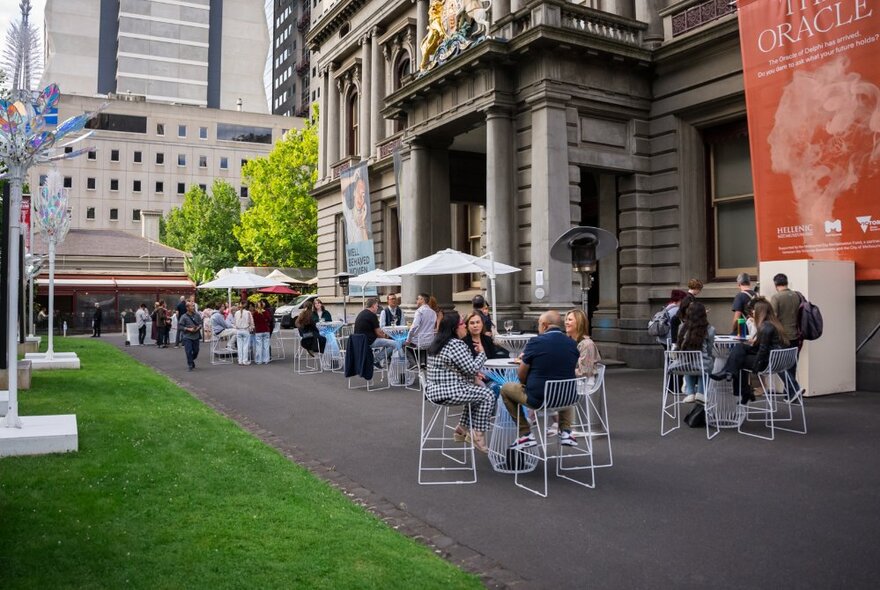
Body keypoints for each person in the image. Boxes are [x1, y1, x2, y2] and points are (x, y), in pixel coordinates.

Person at [501, 310, 580, 449]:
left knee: (506, 388)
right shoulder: (572, 344)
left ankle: (525, 433)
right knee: (563, 386)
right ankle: (566, 431)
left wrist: (526, 384)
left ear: (544, 325)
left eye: (538, 324)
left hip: (540, 399)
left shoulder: (536, 342)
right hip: (568, 399)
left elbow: (521, 375)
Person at [426, 311, 495, 453]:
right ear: (455, 328)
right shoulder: (456, 344)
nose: (465, 327)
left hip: (434, 391)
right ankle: (478, 434)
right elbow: (472, 369)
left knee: (476, 395)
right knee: (488, 395)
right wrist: (481, 353)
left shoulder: (438, 343)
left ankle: (462, 428)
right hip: (450, 392)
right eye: (463, 324)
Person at [712, 298, 789, 404]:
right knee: (740, 348)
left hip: (767, 362)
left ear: (760, 312)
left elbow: (762, 350)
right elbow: (763, 346)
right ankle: (730, 373)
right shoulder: (773, 324)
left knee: (738, 360)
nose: (752, 312)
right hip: (774, 360)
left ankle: (740, 387)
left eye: (754, 310)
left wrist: (756, 368)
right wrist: (751, 344)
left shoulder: (765, 327)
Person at [770, 273, 804, 399]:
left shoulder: (776, 297)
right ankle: (789, 394)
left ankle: (794, 389)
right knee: (792, 365)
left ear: (775, 284)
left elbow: (772, 317)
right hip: (796, 335)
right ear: (787, 282)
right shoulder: (796, 296)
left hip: (782, 336)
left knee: (778, 364)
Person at [674, 301, 715, 404]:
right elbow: (710, 349)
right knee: (706, 362)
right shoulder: (710, 329)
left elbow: (678, 345)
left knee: (690, 362)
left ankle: (690, 392)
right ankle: (701, 393)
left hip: (683, 365)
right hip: (702, 365)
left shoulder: (682, 328)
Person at [354, 298, 397, 368]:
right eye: (377, 306)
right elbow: (379, 333)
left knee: (387, 343)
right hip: (369, 341)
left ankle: (378, 360)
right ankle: (376, 360)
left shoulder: (361, 313)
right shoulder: (372, 315)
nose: (377, 308)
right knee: (395, 343)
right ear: (373, 306)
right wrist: (388, 337)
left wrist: (385, 337)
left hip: (359, 341)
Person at [565, 309, 601, 383]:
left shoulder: (587, 344)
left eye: (570, 320)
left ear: (579, 323)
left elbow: (585, 372)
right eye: (566, 320)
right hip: (570, 380)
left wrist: (563, 371)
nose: (566, 322)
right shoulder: (567, 341)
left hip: (583, 383)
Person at [405, 293, 437, 369]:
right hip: (430, 342)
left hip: (420, 342)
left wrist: (408, 339)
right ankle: (422, 362)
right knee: (419, 342)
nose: (416, 300)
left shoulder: (419, 311)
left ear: (422, 300)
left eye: (418, 298)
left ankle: (413, 363)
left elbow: (414, 326)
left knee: (403, 344)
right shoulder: (433, 312)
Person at [178, 301, 203, 371]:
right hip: (187, 336)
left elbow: (201, 323)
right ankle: (190, 365)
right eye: (192, 306)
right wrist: (188, 329)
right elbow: (180, 326)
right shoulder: (184, 316)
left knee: (196, 351)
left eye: (193, 306)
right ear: (187, 308)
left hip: (196, 336)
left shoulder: (197, 315)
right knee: (188, 351)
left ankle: (191, 360)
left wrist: (198, 328)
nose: (193, 307)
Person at [252, 300, 272, 364]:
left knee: (258, 346)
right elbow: (269, 320)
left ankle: (258, 360)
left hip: (258, 331)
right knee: (266, 346)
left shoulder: (255, 313)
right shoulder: (266, 312)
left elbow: (254, 322)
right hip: (266, 330)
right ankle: (266, 360)